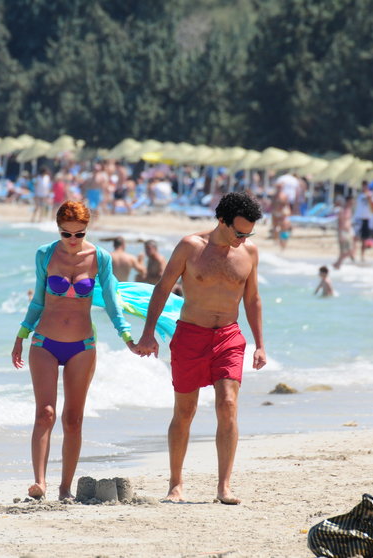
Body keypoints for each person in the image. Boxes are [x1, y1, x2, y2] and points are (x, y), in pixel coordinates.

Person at [134, 192, 266, 505]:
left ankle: (224, 486)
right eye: (239, 232)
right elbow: (162, 288)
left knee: (228, 404)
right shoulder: (190, 247)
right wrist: (148, 333)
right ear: (222, 220)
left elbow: (252, 299)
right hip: (190, 336)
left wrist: (260, 344)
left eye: (248, 234)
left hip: (228, 337)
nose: (243, 239)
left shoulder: (249, 252)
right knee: (185, 411)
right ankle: (176, 484)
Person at [11, 201, 137, 501]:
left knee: (73, 419)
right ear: (58, 229)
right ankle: (40, 482)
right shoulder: (45, 254)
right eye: (66, 234)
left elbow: (112, 302)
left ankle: (65, 488)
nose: (72, 240)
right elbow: (38, 301)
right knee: (45, 414)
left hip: (82, 346)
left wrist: (127, 336)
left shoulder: (100, 258)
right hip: (44, 342)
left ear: (87, 229)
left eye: (79, 234)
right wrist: (21, 335)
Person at [353, 183, 373, 262]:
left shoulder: (371, 196)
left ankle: (362, 256)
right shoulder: (359, 196)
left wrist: (369, 199)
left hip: (366, 219)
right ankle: (353, 254)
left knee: (364, 239)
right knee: (355, 238)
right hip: (358, 219)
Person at [333, 195, 355, 268]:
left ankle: (338, 263)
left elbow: (348, 222)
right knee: (345, 250)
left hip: (348, 232)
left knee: (349, 250)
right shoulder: (342, 210)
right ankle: (338, 264)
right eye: (351, 202)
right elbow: (340, 222)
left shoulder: (349, 210)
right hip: (343, 232)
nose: (352, 203)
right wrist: (340, 234)